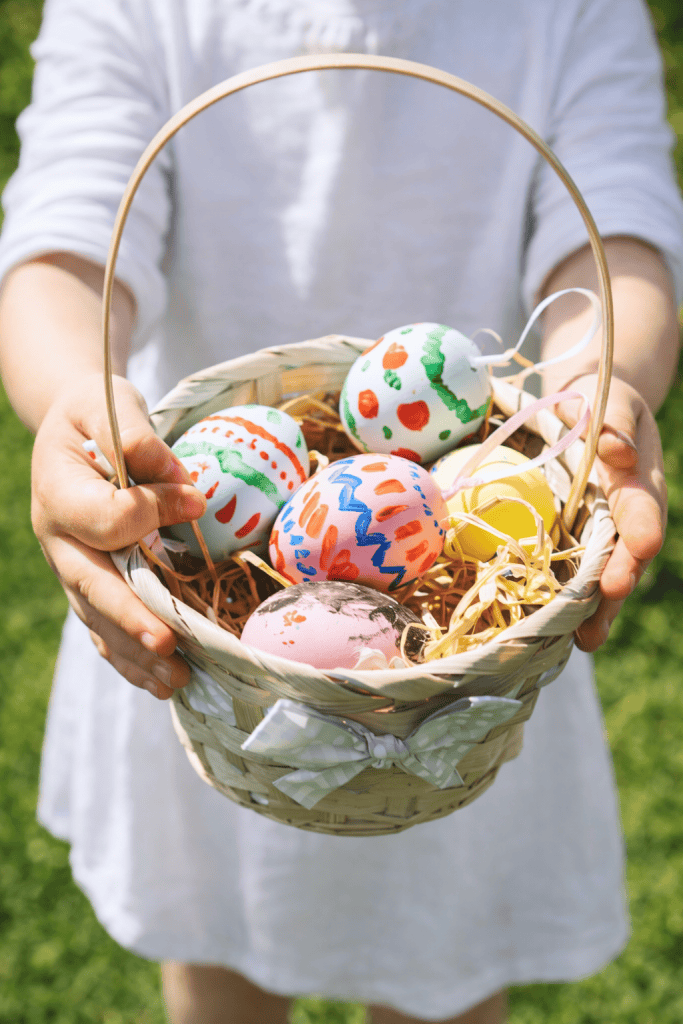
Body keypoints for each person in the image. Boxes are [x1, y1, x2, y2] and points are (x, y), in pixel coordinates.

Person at [0, 1, 681, 1022]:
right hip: (206, 625)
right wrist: (74, 400)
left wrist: (594, 384)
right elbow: (67, 237)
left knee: (441, 953)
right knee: (218, 927)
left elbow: (616, 233)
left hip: (461, 661)